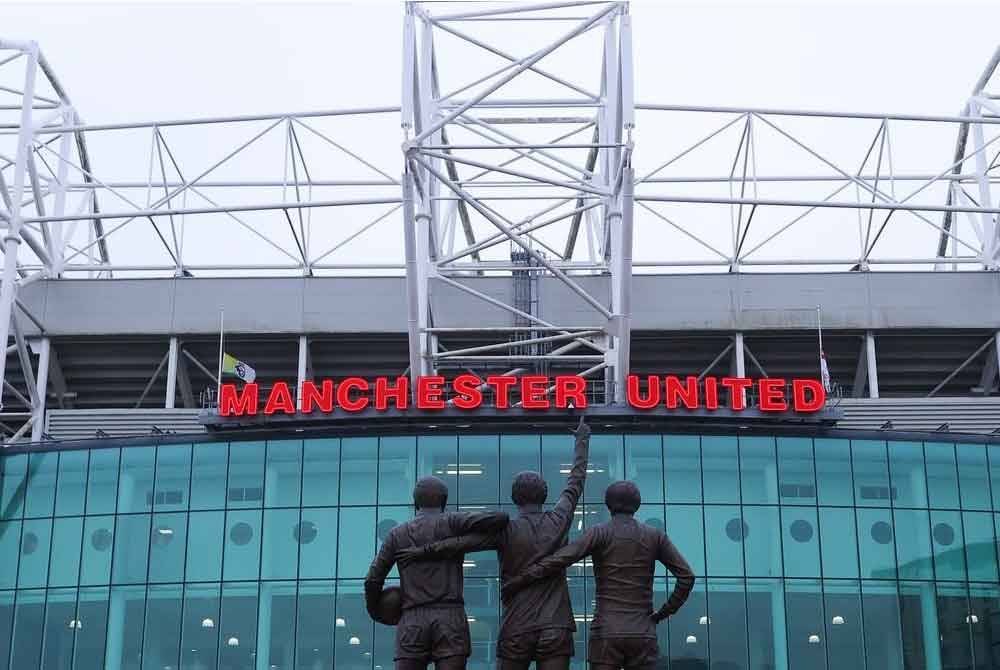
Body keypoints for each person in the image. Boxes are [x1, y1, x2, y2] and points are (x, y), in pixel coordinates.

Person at [399, 416, 592, 670]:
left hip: (516, 626)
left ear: (514, 498)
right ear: (545, 495)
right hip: (556, 625)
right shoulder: (559, 519)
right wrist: (582, 440)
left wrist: (421, 551)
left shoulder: (506, 530)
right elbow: (575, 482)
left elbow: (461, 544)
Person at [502, 480, 695, 670]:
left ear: (609, 504)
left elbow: (560, 560)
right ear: (637, 504)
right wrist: (662, 613)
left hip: (606, 632)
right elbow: (686, 577)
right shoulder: (655, 536)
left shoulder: (599, 532)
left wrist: (521, 579)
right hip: (642, 631)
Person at [365, 475, 509, 670]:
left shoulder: (397, 534)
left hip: (413, 619)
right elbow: (500, 518)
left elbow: (373, 579)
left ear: (415, 502)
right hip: (449, 617)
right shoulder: (453, 522)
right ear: (444, 501)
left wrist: (377, 612)